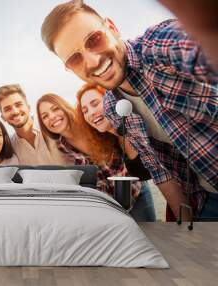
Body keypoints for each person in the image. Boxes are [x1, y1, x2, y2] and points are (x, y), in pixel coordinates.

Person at [40, 0, 218, 220]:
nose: (93, 61)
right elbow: (158, 169)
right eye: (75, 59)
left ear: (112, 28)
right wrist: (185, 227)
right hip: (207, 198)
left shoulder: (157, 48)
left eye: (94, 39)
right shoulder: (111, 108)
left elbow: (194, 49)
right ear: (69, 68)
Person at [37, 93, 153, 221]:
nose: (52, 117)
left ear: (64, 107)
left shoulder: (90, 123)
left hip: (135, 192)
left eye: (55, 109)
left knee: (149, 236)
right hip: (109, 209)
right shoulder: (60, 149)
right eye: (45, 116)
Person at [77, 84, 160, 221]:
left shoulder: (134, 126)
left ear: (110, 100)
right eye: (85, 110)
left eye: (95, 103)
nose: (91, 112)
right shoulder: (113, 141)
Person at [0, 84, 69, 165]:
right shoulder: (10, 147)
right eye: (7, 109)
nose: (15, 111)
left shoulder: (54, 127)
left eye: (18, 105)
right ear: (3, 117)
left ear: (28, 107)